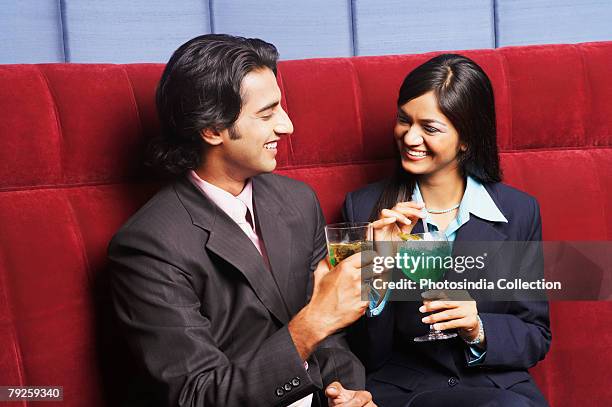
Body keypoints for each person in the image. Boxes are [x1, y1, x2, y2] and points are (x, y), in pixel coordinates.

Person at [108, 34, 376, 407]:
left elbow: (332, 337)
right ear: (212, 129)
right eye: (266, 115)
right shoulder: (147, 246)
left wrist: (347, 393)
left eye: (280, 108)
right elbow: (196, 396)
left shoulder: (299, 202)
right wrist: (308, 327)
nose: (287, 126)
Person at [343, 54, 551, 406]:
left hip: (497, 389)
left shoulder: (519, 211)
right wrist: (379, 268)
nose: (410, 137)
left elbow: (535, 334)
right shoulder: (364, 209)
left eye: (430, 127)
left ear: (466, 139)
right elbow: (364, 350)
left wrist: (478, 327)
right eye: (403, 120)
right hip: (404, 390)